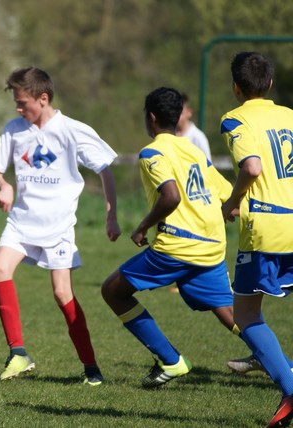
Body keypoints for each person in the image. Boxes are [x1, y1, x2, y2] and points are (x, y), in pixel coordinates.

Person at [101, 87, 242, 389]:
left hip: (177, 246)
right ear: (178, 117)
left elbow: (171, 196)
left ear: (151, 118)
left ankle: (171, 360)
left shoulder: (151, 153)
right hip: (211, 245)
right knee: (229, 311)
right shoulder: (194, 152)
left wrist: (142, 227)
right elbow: (228, 198)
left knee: (113, 291)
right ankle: (282, 364)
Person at [0, 66, 121, 385]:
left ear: (43, 98)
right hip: (21, 221)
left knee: (62, 294)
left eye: (22, 103)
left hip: (58, 227)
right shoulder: (13, 130)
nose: (18, 109)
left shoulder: (72, 130)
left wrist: (111, 214)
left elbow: (104, 169)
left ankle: (91, 368)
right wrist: (3, 185)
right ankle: (18, 353)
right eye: (16, 103)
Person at [220, 51, 293, 428]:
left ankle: (291, 388)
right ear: (270, 83)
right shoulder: (290, 116)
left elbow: (252, 167)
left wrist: (232, 201)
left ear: (236, 87)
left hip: (267, 227)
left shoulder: (235, 119)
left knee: (247, 316)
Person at [176, 92, 212, 160]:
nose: (177, 117)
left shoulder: (198, 137)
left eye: (180, 113)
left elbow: (207, 163)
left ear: (189, 112)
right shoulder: (170, 135)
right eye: (174, 113)